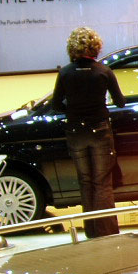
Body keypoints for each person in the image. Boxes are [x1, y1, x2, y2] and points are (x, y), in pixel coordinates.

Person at [52, 27, 126, 238]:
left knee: (85, 181)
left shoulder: (65, 73)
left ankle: (91, 232)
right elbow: (120, 102)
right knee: (102, 181)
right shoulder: (103, 71)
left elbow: (56, 105)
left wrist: (74, 111)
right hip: (100, 131)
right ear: (95, 47)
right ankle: (108, 232)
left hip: (75, 131)